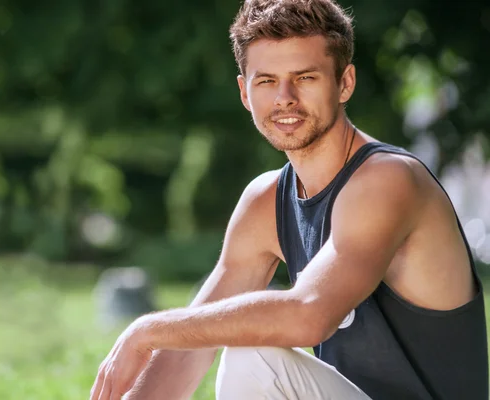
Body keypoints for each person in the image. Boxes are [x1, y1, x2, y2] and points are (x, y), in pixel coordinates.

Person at [89, 0, 489, 399]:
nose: (284, 98)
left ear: (345, 82)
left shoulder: (388, 180)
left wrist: (146, 331)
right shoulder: (266, 201)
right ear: (245, 91)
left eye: (305, 77)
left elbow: (308, 315)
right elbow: (187, 354)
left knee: (254, 355)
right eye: (266, 81)